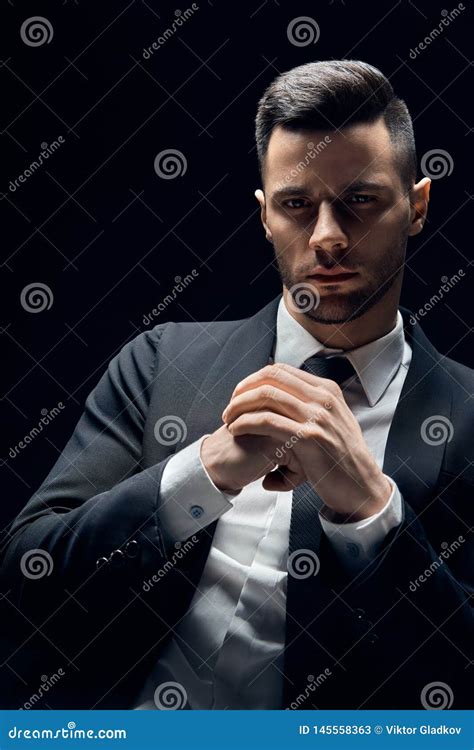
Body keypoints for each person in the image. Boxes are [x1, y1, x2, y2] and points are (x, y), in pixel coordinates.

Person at [1, 60, 472, 711]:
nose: (328, 236)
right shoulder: (159, 359)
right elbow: (27, 579)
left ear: (417, 205)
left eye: (360, 201)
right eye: (297, 205)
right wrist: (205, 469)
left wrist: (372, 514)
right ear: (264, 216)